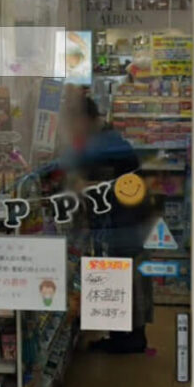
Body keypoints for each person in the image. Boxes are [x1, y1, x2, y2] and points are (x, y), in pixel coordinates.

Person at [50, 89, 156, 353]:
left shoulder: (103, 143)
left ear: (85, 119)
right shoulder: (104, 139)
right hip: (123, 221)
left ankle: (129, 339)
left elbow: (114, 184)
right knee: (122, 277)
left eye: (73, 121)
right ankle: (123, 336)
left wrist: (81, 185)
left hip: (125, 222)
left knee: (124, 278)